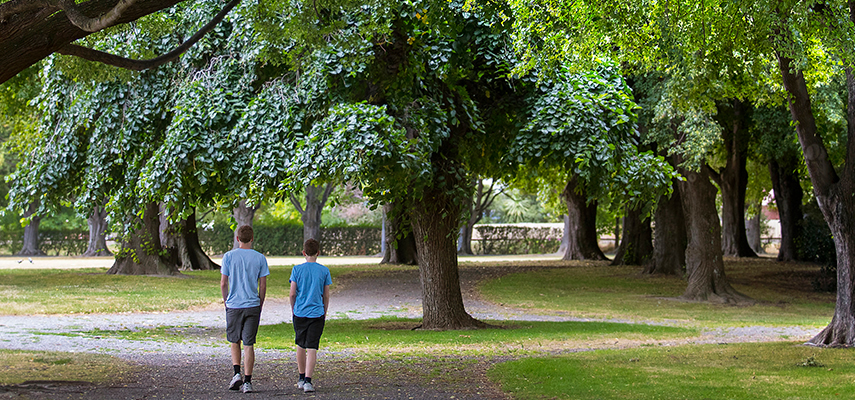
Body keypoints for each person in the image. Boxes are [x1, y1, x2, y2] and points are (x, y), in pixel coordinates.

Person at [221, 225, 269, 393]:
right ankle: (248, 381)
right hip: (252, 304)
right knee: (249, 344)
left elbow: (223, 283)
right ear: (252, 238)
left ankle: (236, 373)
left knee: (234, 340)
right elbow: (263, 285)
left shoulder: (228, 257)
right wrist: (260, 302)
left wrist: (226, 301)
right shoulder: (260, 258)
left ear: (237, 239)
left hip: (234, 304)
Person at [290, 238, 331, 393]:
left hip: (300, 312)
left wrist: (294, 308)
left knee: (300, 344)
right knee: (312, 346)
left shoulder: (297, 270)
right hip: (317, 313)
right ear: (318, 252)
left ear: (304, 252)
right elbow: (326, 295)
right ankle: (308, 380)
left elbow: (292, 293)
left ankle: (301, 377)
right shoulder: (324, 271)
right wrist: (324, 311)